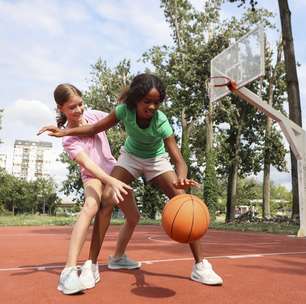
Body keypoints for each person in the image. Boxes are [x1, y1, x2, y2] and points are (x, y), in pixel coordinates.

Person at [39, 74, 223, 286]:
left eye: (157, 102)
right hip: (130, 157)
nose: (152, 106)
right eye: (147, 101)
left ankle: (201, 266)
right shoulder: (123, 111)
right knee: (107, 198)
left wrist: (181, 178)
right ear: (136, 100)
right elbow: (92, 129)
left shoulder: (161, 121)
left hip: (156, 159)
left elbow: (179, 160)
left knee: (183, 199)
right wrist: (63, 132)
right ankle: (91, 264)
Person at [38, 83, 139, 295]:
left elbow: (117, 114)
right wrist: (110, 181)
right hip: (93, 176)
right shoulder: (68, 138)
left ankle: (118, 257)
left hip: (113, 171)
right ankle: (69, 270)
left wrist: (133, 92)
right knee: (91, 206)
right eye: (72, 107)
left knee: (134, 217)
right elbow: (90, 166)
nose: (79, 110)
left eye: (80, 104)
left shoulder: (94, 116)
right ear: (61, 109)